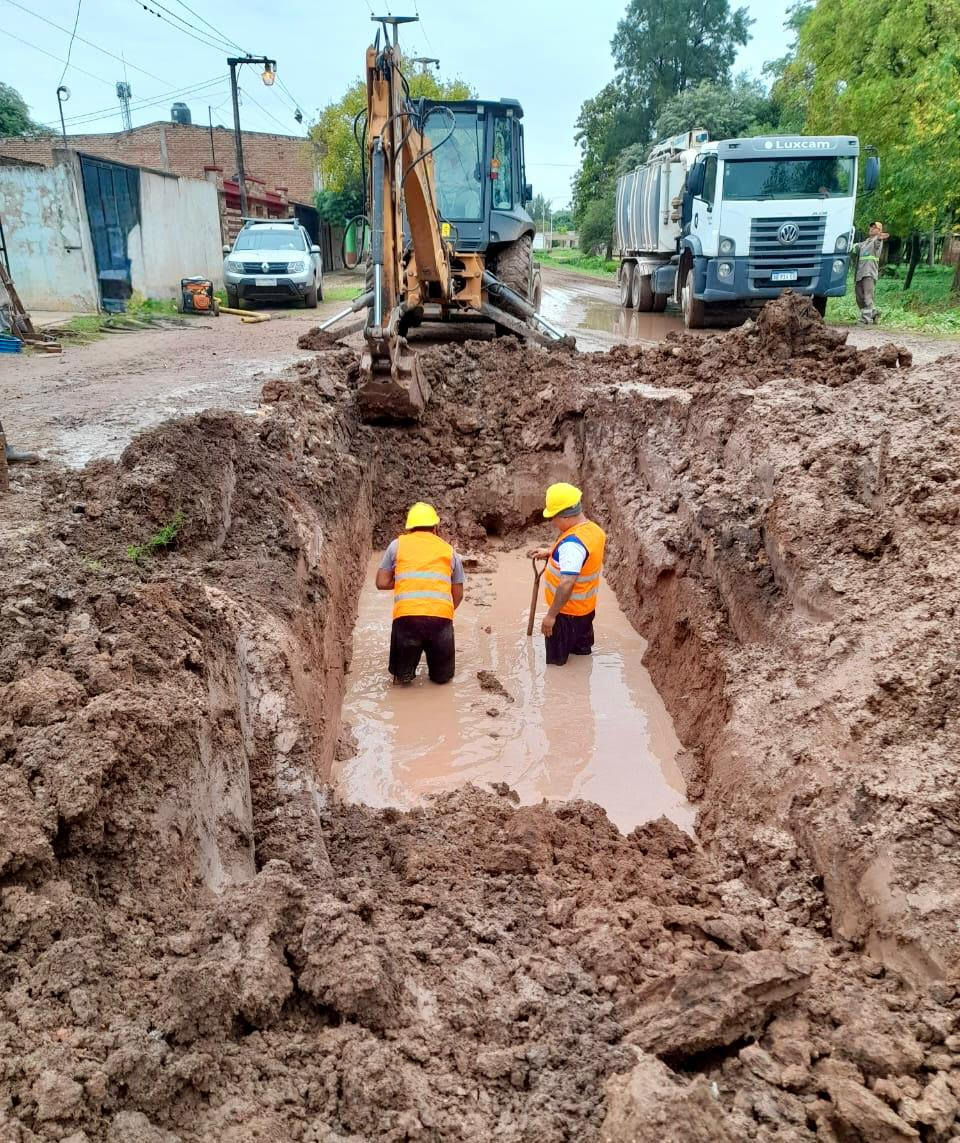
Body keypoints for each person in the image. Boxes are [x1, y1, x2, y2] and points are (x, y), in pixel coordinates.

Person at [376, 502, 465, 685]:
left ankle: (404, 676)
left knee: (402, 679)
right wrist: (442, 612)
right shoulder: (449, 551)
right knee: (442, 680)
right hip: (440, 619)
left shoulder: (396, 546)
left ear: (409, 528)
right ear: (435, 527)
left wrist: (406, 581)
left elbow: (381, 582)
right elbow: (458, 594)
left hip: (406, 618)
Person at [527, 483, 607, 667]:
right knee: (582, 657)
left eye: (553, 517)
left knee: (556, 667)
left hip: (565, 616)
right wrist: (551, 552)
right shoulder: (593, 531)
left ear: (565, 515)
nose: (553, 522)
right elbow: (583, 558)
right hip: (585, 611)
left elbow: (567, 583)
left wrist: (551, 617)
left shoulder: (572, 546)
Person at [853, 221, 889, 325]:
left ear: (879, 231)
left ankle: (866, 319)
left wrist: (880, 238)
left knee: (868, 297)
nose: (871, 229)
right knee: (859, 297)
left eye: (874, 227)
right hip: (860, 273)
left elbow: (878, 242)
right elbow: (854, 247)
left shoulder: (876, 241)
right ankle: (874, 313)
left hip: (869, 272)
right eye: (871, 227)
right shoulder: (865, 242)